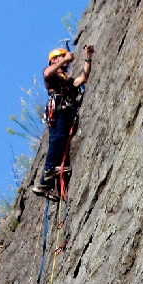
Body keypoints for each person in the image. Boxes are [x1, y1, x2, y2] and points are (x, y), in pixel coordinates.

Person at [32, 44, 94, 201]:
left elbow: (83, 78)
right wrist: (64, 59)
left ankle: (46, 184)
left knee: (62, 139)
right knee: (58, 138)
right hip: (57, 109)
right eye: (61, 57)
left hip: (65, 111)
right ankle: (49, 171)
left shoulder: (66, 80)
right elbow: (47, 73)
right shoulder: (52, 75)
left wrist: (88, 57)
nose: (66, 61)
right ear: (54, 60)